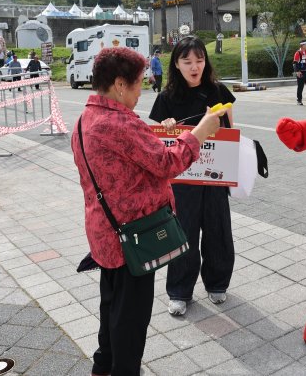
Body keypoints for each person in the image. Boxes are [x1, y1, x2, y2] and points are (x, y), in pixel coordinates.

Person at [71, 47, 226, 376]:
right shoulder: (119, 124)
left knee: (111, 308)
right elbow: (167, 163)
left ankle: (103, 367)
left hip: (105, 235)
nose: (142, 91)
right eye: (140, 83)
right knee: (131, 322)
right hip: (133, 242)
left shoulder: (86, 119)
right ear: (120, 84)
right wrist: (200, 132)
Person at [149, 36, 236, 317]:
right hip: (182, 179)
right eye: (187, 61)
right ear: (176, 64)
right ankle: (179, 291)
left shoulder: (219, 91)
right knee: (183, 233)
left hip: (214, 175)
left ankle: (218, 282)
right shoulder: (166, 99)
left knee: (217, 229)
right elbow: (159, 141)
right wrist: (166, 125)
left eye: (199, 60)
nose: (194, 66)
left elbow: (230, 132)